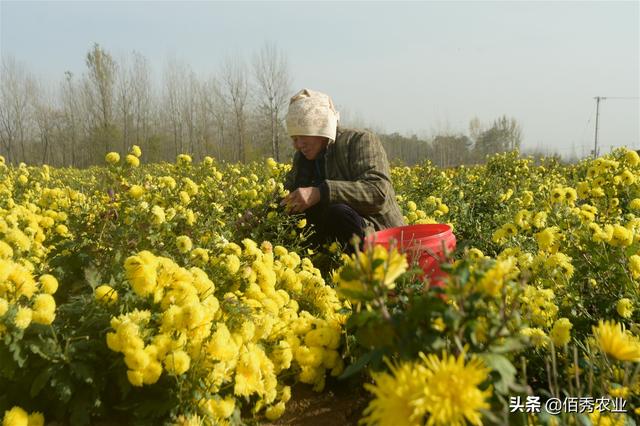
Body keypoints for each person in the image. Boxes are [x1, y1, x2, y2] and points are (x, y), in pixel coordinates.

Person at [281, 88, 404, 250]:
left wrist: (321, 192)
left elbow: (378, 192)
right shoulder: (303, 158)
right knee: (289, 214)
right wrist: (258, 217)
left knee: (338, 213)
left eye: (302, 136)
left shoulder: (359, 141)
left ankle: (363, 272)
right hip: (334, 239)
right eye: (294, 138)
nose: (297, 145)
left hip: (378, 234)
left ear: (321, 127)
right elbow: (288, 195)